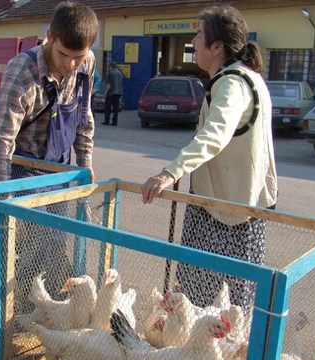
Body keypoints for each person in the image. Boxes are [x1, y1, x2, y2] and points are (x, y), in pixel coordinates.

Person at [141, 5, 277, 310]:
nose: (193, 42)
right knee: (228, 301)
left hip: (227, 212)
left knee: (213, 302)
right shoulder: (245, 77)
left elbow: (214, 135)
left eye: (199, 36)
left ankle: (211, 341)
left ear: (217, 47)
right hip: (235, 203)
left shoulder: (232, 84)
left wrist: (170, 172)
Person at [0, 1, 98, 304]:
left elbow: (84, 118)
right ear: (50, 37)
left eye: (78, 56)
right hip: (23, 167)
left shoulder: (86, 63)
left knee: (56, 239)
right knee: (35, 237)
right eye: (64, 54)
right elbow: (0, 142)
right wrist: (3, 201)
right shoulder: (22, 72)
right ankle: (8, 301)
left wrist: (85, 165)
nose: (71, 64)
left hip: (59, 169)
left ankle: (35, 299)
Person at [102, 61, 123, 126]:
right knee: (116, 108)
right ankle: (114, 122)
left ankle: (107, 121)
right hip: (119, 92)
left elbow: (109, 84)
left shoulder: (111, 73)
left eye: (109, 66)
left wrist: (105, 92)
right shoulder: (120, 73)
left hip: (111, 92)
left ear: (111, 66)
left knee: (107, 107)